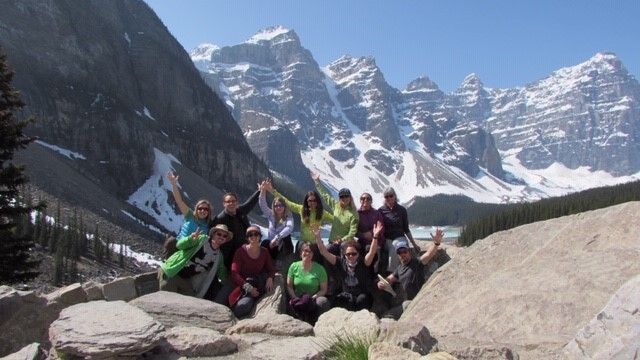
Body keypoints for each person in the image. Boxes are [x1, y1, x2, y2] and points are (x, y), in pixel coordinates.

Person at [376, 229, 444, 318]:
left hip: (418, 301)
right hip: (407, 302)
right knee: (386, 316)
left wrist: (436, 243)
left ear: (409, 252)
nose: (402, 254)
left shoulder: (417, 262)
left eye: (404, 251)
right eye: (399, 252)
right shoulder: (399, 269)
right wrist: (380, 284)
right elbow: (388, 280)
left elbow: (428, 254)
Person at [314, 223, 381, 311]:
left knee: (361, 300)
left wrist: (375, 236)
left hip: (362, 295)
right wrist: (318, 237)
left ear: (358, 254)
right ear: (344, 255)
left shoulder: (363, 262)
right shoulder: (340, 262)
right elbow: (324, 252)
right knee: (339, 301)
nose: (351, 256)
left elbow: (372, 252)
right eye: (348, 254)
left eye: (354, 254)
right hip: (347, 295)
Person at [159, 224, 233, 303]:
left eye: (224, 236)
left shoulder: (219, 256)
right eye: (219, 234)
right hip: (173, 273)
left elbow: (221, 273)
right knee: (166, 302)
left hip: (186, 281)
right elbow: (179, 245)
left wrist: (231, 282)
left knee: (189, 303)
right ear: (213, 234)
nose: (221, 237)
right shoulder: (201, 239)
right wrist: (190, 239)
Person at [266, 181, 333, 257]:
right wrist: (272, 190)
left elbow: (335, 220)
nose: (312, 202)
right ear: (306, 201)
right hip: (303, 242)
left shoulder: (322, 212)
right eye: (310, 200)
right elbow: (286, 202)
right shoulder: (301, 209)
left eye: (314, 200)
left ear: (317, 201)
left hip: (316, 243)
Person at [229, 225, 277, 318]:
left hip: (254, 283)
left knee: (243, 306)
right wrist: (248, 288)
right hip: (239, 284)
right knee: (222, 301)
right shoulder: (241, 251)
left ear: (260, 236)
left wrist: (270, 277)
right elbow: (234, 273)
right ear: (247, 237)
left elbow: (271, 268)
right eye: (250, 234)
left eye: (256, 234)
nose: (253, 236)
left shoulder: (264, 252)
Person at [211, 184, 261, 271]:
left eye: (233, 201)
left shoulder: (239, 211)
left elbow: (250, 204)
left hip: (246, 247)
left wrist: (260, 191)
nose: (231, 203)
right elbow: (212, 233)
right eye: (228, 202)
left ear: (237, 202)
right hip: (231, 253)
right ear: (224, 204)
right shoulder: (220, 218)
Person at [312, 172, 359, 257]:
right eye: (342, 197)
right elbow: (325, 196)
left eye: (346, 196)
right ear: (339, 198)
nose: (344, 198)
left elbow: (352, 232)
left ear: (350, 197)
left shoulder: (354, 213)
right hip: (332, 241)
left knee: (342, 260)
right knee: (324, 254)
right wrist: (317, 182)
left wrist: (342, 240)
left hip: (346, 243)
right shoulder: (336, 206)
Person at [378, 187, 420, 273]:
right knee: (391, 246)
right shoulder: (381, 211)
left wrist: (414, 244)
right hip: (387, 239)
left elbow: (406, 229)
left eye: (391, 196)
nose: (389, 198)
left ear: (395, 196)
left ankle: (392, 274)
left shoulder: (402, 210)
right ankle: (388, 275)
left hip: (400, 237)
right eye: (386, 197)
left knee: (396, 246)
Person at [286, 242, 330, 324]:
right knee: (290, 304)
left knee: (323, 301)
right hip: (297, 298)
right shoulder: (293, 266)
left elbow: (323, 290)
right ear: (300, 252)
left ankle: (318, 324)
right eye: (305, 250)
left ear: (313, 254)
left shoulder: (320, 269)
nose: (308, 253)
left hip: (314, 299)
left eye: (310, 251)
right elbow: (289, 286)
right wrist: (294, 297)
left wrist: (313, 297)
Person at [258, 179, 294, 263]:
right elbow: (262, 204)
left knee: (286, 239)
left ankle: (281, 265)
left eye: (281, 205)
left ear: (284, 207)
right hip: (272, 245)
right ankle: (263, 263)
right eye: (276, 205)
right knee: (265, 242)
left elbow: (289, 228)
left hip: (282, 247)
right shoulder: (270, 214)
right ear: (273, 207)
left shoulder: (288, 217)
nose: (278, 207)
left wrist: (277, 237)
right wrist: (263, 191)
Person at [167, 171, 211, 239]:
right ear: (196, 209)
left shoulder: (209, 224)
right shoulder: (190, 215)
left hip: (194, 249)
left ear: (209, 211)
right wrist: (174, 184)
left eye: (206, 209)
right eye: (200, 208)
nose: (203, 210)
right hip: (179, 246)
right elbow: (179, 201)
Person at [356, 192, 384, 273]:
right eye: (363, 198)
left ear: (371, 201)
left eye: (368, 198)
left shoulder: (377, 213)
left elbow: (381, 227)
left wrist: (373, 234)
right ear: (360, 201)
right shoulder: (357, 214)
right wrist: (363, 235)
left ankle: (372, 275)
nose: (365, 200)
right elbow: (353, 230)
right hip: (362, 241)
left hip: (376, 240)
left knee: (370, 249)